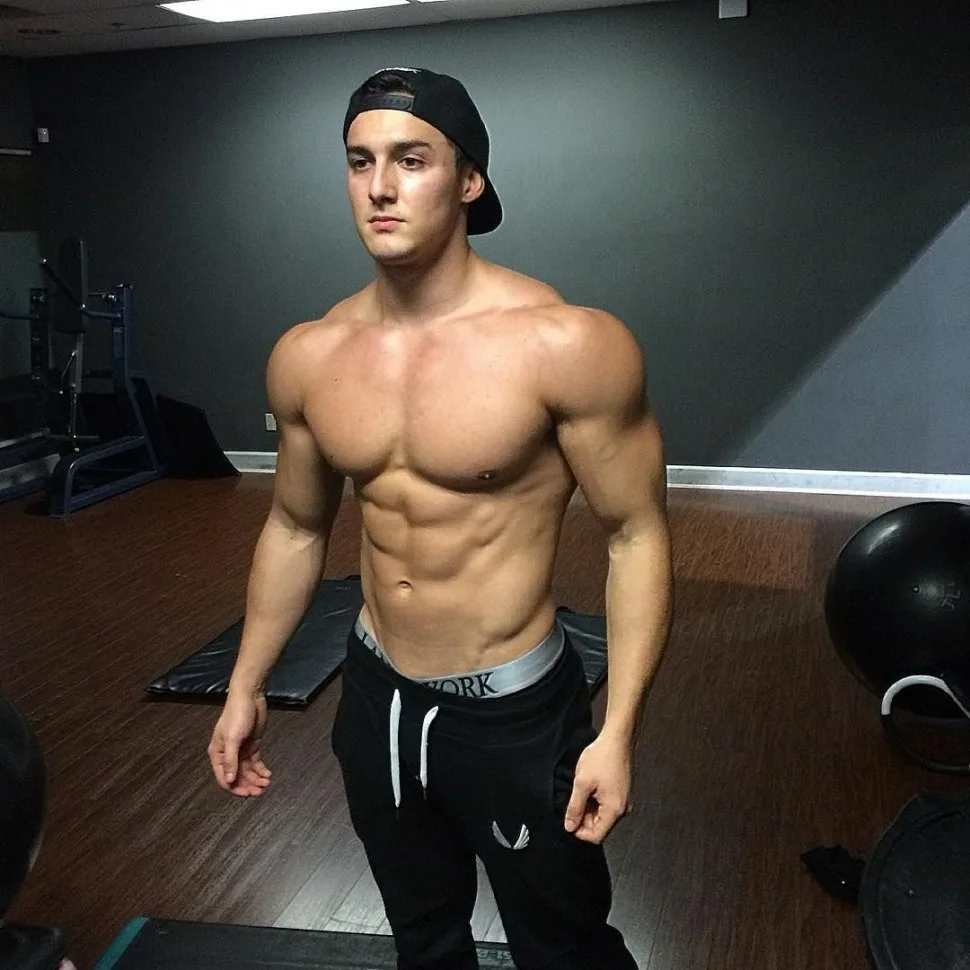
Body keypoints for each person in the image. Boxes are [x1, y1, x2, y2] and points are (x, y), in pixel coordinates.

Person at [208, 67, 673, 970]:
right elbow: (296, 528)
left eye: (411, 160)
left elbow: (637, 535)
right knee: (422, 939)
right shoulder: (310, 354)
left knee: (564, 946)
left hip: (514, 712)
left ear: (469, 180)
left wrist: (616, 731)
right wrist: (245, 682)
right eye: (360, 161)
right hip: (376, 694)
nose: (379, 187)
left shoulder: (567, 343)